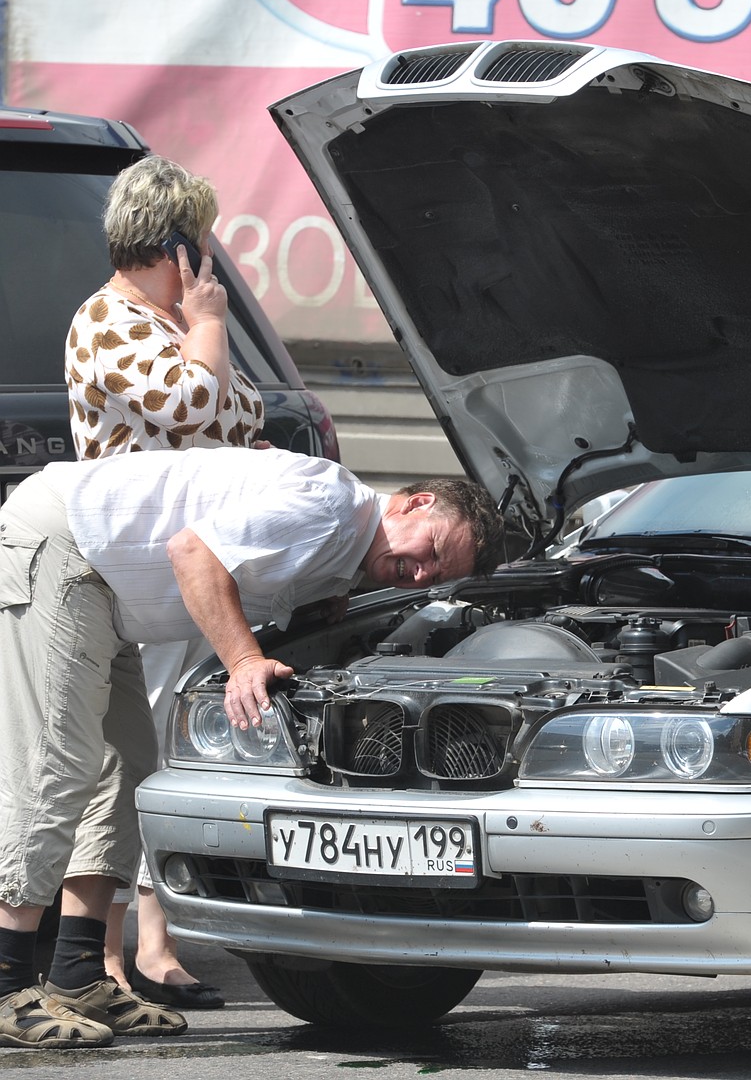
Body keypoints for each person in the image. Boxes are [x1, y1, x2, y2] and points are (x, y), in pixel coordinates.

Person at [0, 447, 504, 1048]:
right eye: (433, 553)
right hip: (66, 545)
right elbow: (194, 553)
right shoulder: (333, 508)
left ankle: (78, 974)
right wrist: (244, 662)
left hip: (105, 586)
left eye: (438, 577)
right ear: (417, 503)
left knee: (125, 770)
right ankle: (6, 985)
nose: (422, 574)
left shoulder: (342, 546)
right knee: (57, 764)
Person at [64, 154, 265, 1011]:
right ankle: (101, 954)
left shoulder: (172, 318)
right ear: (177, 243)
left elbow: (245, 413)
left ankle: (156, 943)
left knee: (173, 745)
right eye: (202, 237)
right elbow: (193, 405)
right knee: (130, 753)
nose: (210, 255)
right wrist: (207, 323)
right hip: (139, 571)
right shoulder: (108, 320)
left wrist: (200, 332)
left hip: (194, 567)